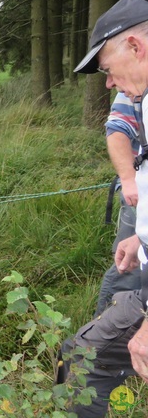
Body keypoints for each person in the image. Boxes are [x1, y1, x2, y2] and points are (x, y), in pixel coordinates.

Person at [57, 0, 148, 417]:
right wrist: (140, 236)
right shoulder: (143, 97)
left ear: (135, 45)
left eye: (107, 69)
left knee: (83, 357)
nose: (107, 83)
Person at [94, 91, 140, 316]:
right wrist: (129, 178)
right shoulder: (133, 81)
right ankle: (95, 343)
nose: (108, 83)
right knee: (129, 270)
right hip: (141, 199)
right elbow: (118, 127)